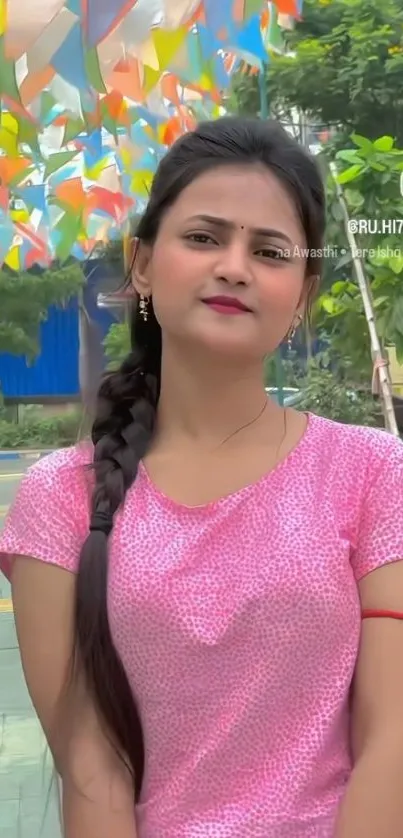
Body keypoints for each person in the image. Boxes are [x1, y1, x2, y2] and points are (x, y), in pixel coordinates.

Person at [1, 116, 403, 838]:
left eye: (269, 251)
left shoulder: (371, 472)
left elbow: (392, 743)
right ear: (143, 264)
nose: (234, 266)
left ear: (303, 292)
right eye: (204, 237)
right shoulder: (60, 497)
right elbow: (91, 768)